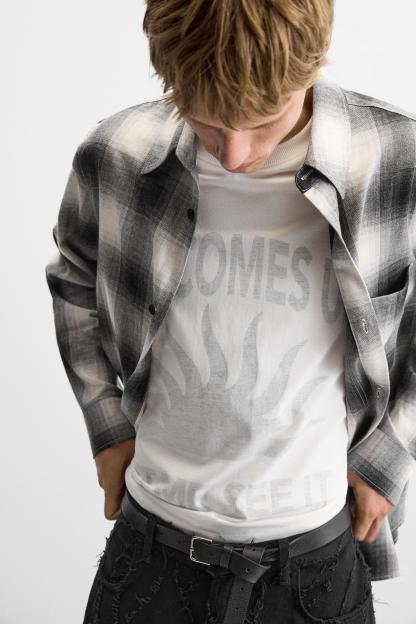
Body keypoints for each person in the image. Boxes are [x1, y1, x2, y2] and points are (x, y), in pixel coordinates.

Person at [45, 1, 416, 622]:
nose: (236, 154)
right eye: (207, 124)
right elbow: (73, 276)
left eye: (265, 122)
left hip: (316, 565)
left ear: (313, 65)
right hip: (150, 553)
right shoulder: (116, 154)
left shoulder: (396, 160)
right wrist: (106, 426)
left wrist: (390, 458)